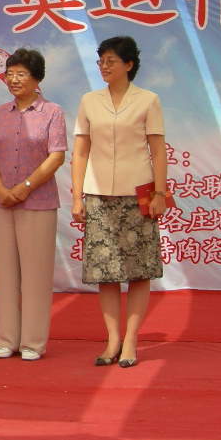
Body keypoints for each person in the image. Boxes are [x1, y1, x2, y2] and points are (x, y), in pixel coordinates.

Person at [71, 36, 167, 368]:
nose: (104, 66)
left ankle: (131, 340)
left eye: (111, 61)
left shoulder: (148, 100)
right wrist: (77, 196)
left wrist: (159, 193)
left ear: (129, 64)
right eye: (101, 61)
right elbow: (80, 151)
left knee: (139, 270)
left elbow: (157, 151)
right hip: (98, 195)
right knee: (105, 271)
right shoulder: (89, 101)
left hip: (137, 193)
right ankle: (112, 340)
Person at [0, 48, 66, 361]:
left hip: (38, 203)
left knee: (35, 275)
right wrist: (1, 189)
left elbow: (56, 156)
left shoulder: (52, 112)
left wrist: (25, 187)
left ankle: (32, 342)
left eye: (21, 74)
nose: (14, 80)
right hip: (0, 202)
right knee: (4, 274)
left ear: (37, 78)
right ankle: (6, 339)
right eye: (10, 74)